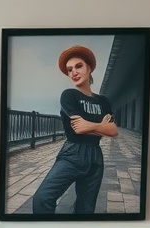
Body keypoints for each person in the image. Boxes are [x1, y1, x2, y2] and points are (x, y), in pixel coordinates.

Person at [32, 45, 117, 216]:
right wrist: (101, 126)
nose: (73, 72)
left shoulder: (103, 101)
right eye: (69, 70)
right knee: (42, 198)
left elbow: (113, 130)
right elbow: (78, 129)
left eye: (78, 66)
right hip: (73, 153)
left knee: (86, 210)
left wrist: (90, 126)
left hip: (95, 157)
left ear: (89, 68)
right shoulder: (69, 95)